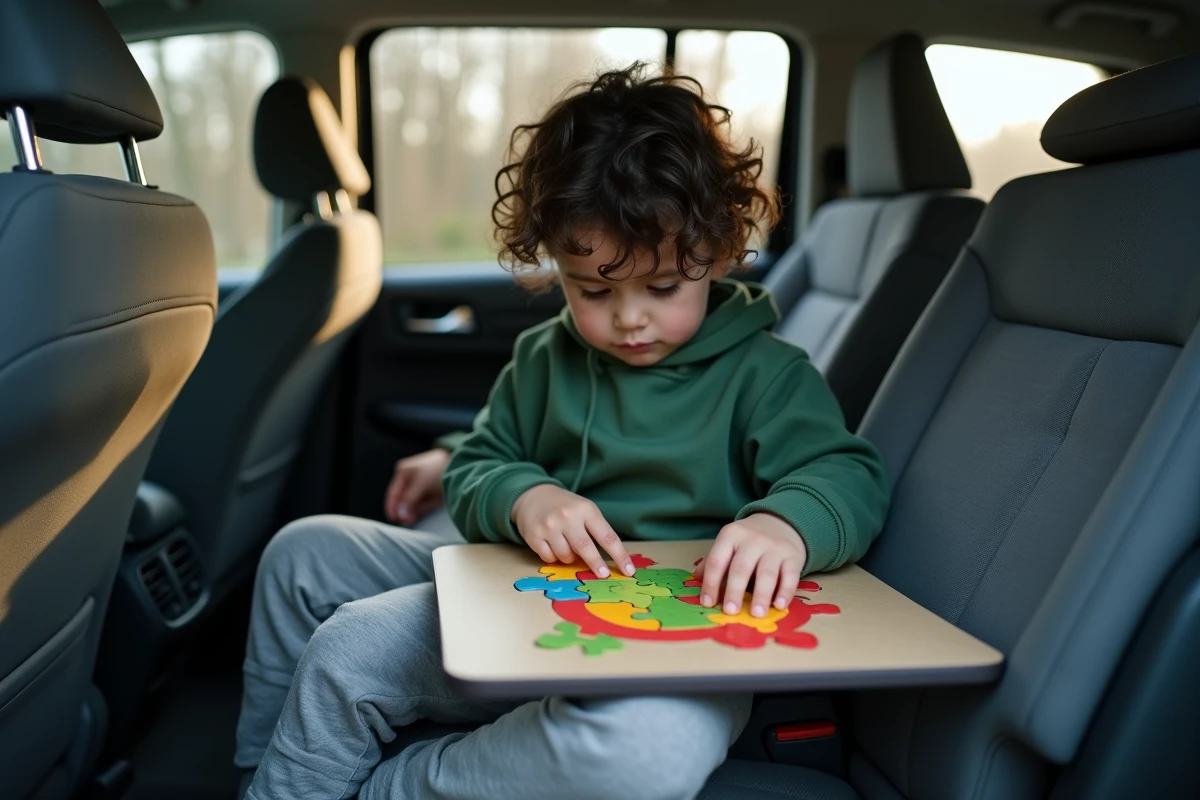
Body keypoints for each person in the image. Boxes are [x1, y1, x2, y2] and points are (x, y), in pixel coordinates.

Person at [238, 63, 891, 800]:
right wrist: (525, 497)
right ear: (557, 262)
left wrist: (785, 525)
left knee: (641, 756)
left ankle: (389, 787)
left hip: (683, 634)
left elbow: (848, 473)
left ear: (718, 252)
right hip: (525, 591)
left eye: (664, 286)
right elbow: (484, 459)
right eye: (595, 290)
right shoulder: (545, 358)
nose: (630, 317)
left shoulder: (767, 373)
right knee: (313, 574)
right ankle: (270, 780)